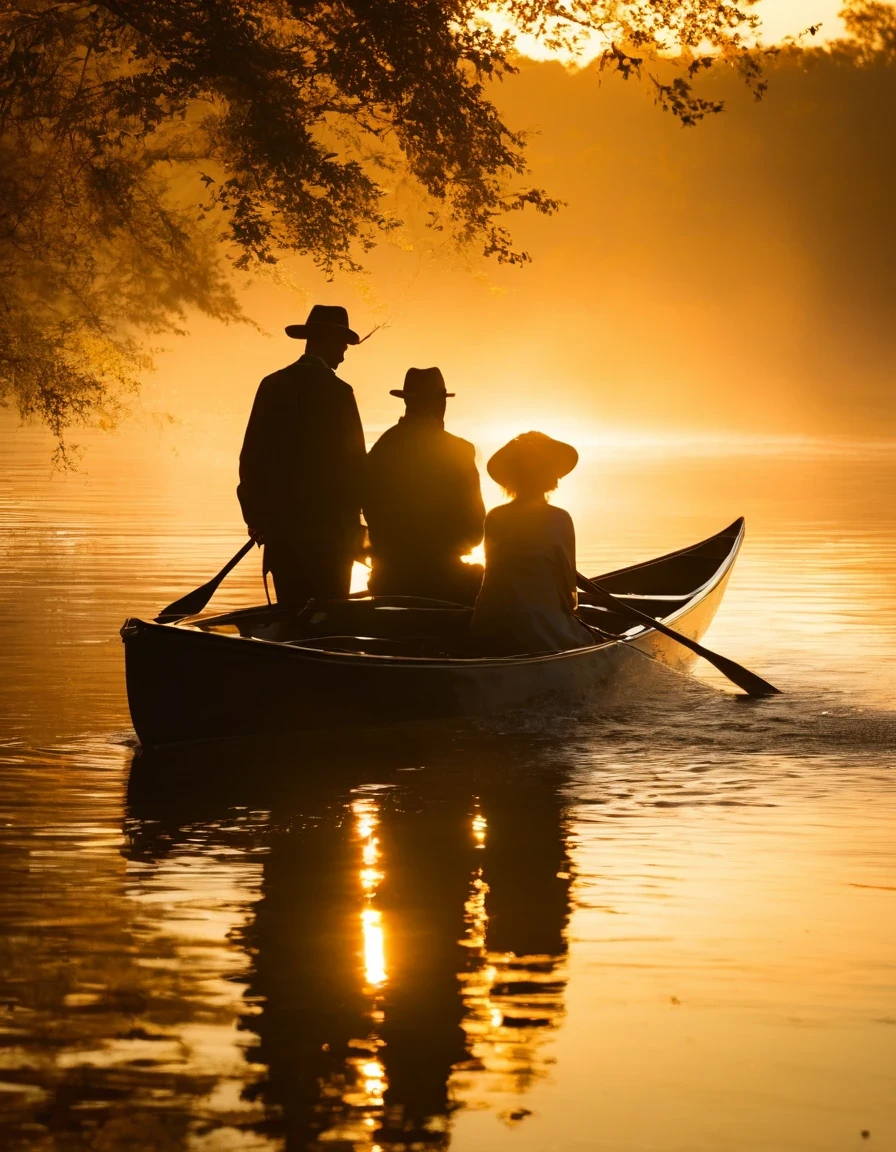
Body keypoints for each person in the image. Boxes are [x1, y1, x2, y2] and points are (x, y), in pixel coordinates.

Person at [237, 305, 366, 607]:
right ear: (328, 342)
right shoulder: (339, 392)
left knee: (291, 611)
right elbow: (357, 466)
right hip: (331, 537)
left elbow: (251, 459)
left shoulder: (272, 385)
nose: (343, 356)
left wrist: (255, 518)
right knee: (329, 616)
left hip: (282, 532)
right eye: (342, 347)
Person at [363, 367, 485, 605]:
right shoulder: (458, 450)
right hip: (447, 581)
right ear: (441, 404)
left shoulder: (382, 448)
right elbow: (475, 528)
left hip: (389, 580)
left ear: (407, 403)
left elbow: (369, 510)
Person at [470, 431, 594, 652]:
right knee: (587, 638)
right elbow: (568, 592)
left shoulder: (495, 517)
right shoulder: (560, 518)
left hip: (493, 625)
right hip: (542, 628)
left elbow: (491, 579)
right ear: (551, 477)